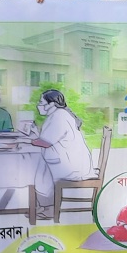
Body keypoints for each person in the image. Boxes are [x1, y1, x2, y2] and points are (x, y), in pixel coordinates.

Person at [30, 89, 93, 220]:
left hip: (73, 166)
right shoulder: (58, 114)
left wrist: (30, 140)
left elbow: (45, 142)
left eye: (41, 102)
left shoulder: (59, 117)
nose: (38, 105)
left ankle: (48, 209)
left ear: (51, 104)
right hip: (70, 161)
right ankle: (44, 206)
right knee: (40, 167)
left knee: (40, 169)